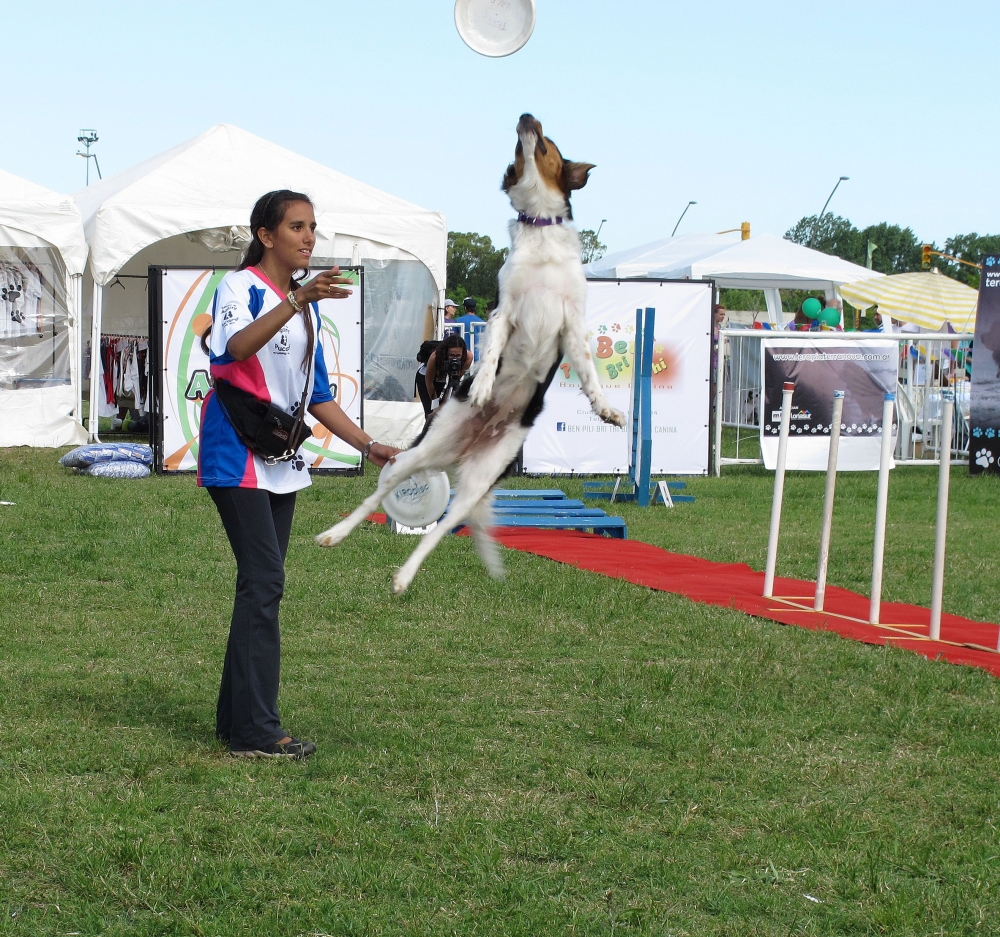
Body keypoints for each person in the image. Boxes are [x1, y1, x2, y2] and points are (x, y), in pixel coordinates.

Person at [198, 189, 399, 760]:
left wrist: (369, 445)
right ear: (266, 236)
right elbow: (234, 349)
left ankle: (236, 721)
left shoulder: (303, 306)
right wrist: (296, 298)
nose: (309, 237)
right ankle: (257, 733)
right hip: (234, 452)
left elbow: (317, 396)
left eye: (313, 226)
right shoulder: (238, 288)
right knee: (265, 584)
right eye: (296, 226)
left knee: (259, 587)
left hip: (279, 458)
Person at [422, 332, 473, 415]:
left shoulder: (468, 357)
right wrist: (435, 404)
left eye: (458, 355)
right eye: (451, 355)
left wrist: (444, 402)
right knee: (432, 413)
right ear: (446, 353)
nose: (455, 358)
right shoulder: (435, 357)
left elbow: (455, 380)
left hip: (446, 378)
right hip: (427, 378)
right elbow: (428, 381)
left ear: (463, 354)